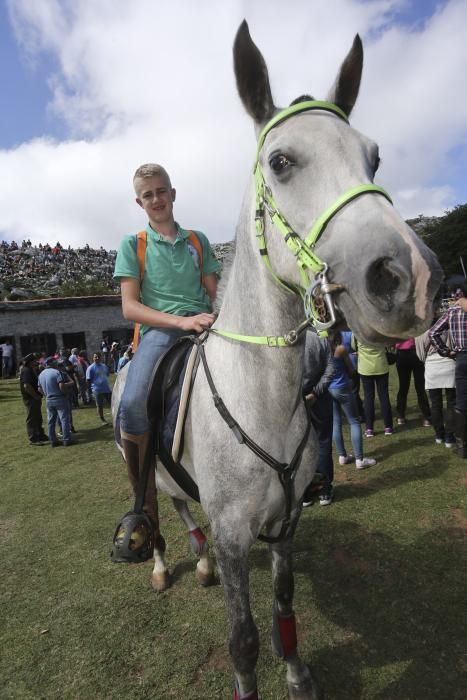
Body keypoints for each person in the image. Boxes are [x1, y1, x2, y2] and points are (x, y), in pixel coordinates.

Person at [113, 163, 221, 523]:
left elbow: (213, 293)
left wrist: (215, 317)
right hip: (161, 332)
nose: (156, 199)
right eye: (148, 195)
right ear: (139, 202)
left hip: (207, 322)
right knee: (130, 405)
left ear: (172, 194)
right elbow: (130, 307)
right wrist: (182, 321)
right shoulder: (133, 245)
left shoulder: (197, 240)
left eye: (161, 191)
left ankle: (303, 467)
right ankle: (143, 509)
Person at [328, 332, 376, 470]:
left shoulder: (323, 350)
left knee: (335, 422)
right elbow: (351, 369)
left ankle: (342, 455)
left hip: (329, 389)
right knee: (354, 421)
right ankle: (360, 459)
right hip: (342, 387)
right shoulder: (340, 349)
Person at [429, 282, 467, 458]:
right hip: (460, 357)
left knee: (461, 402)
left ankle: (462, 446)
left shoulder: (453, 312)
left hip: (461, 358)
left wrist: (446, 351)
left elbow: (433, 332)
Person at [302, 329, 336, 506]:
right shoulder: (318, 339)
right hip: (317, 398)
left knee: (301, 447)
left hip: (299, 401)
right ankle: (324, 490)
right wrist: (316, 393)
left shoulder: (286, 339)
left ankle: (307, 493)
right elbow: (330, 369)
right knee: (322, 444)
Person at [415, 329, 456, 448]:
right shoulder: (448, 329)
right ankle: (449, 436)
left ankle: (439, 435)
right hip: (449, 364)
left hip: (432, 366)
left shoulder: (421, 332)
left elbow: (420, 354)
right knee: (451, 402)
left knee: (435, 403)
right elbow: (454, 345)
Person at [353, 337, 394, 437]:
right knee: (384, 396)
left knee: (368, 398)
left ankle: (369, 428)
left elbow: (353, 346)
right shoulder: (378, 329)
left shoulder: (357, 331)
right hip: (381, 365)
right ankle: (388, 427)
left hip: (365, 368)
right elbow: (387, 343)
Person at [394, 338, 431, 427]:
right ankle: (426, 417)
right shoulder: (414, 323)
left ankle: (401, 416)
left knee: (403, 387)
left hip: (401, 354)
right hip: (415, 352)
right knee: (420, 387)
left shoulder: (398, 324)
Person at [38, 357, 73, 446]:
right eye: (55, 362)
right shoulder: (57, 372)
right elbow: (61, 386)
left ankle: (53, 441)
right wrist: (65, 393)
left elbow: (39, 389)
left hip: (49, 399)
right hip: (59, 398)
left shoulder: (41, 374)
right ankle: (67, 439)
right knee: (64, 419)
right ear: (52, 363)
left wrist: (46, 394)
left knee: (51, 421)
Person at [19, 353, 48, 445]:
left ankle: (40, 435)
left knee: (38, 417)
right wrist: (35, 395)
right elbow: (26, 385)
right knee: (32, 418)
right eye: (34, 360)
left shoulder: (31, 369)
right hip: (31, 398)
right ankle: (33, 438)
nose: (36, 362)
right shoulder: (26, 370)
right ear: (30, 362)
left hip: (35, 397)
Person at [86, 352, 112, 423]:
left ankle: (115, 415)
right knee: (100, 405)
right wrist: (90, 391)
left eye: (98, 357)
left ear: (100, 358)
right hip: (97, 389)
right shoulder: (90, 368)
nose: (97, 358)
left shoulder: (104, 366)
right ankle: (102, 419)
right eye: (95, 357)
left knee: (112, 403)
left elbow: (107, 374)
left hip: (106, 388)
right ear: (93, 358)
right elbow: (88, 380)